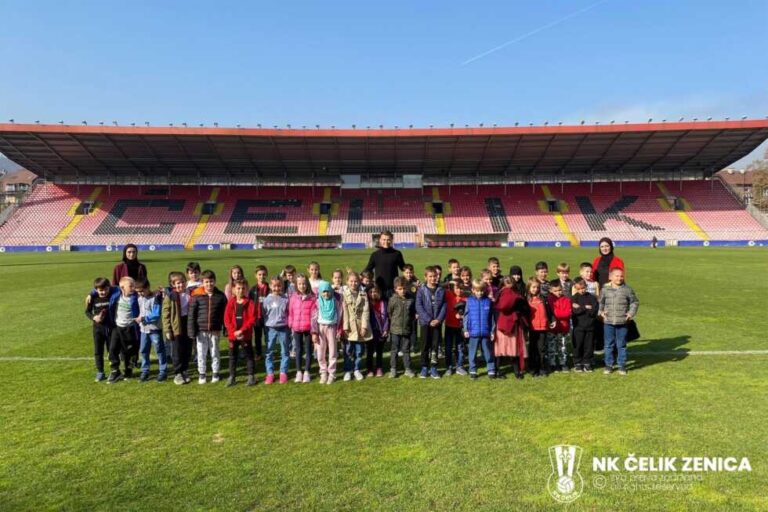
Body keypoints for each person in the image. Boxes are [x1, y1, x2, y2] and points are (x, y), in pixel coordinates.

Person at [188, 270, 227, 384]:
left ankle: (215, 372)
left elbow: (225, 314)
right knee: (201, 353)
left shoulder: (220, 296)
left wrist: (225, 329)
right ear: (202, 282)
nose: (209, 284)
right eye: (206, 282)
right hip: (201, 330)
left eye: (211, 281)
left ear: (215, 281)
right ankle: (202, 374)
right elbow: (191, 315)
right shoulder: (197, 296)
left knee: (215, 352)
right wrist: (191, 331)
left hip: (215, 330)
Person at [599, 268, 639, 376]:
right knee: (608, 345)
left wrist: (630, 313)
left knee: (621, 345)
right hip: (608, 322)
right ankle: (609, 365)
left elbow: (634, 302)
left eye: (621, 276)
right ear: (610, 277)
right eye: (617, 276)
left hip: (622, 322)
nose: (619, 278)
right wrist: (600, 312)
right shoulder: (605, 289)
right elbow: (600, 302)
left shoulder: (627, 289)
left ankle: (622, 365)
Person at [105, 276, 140, 383]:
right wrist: (90, 294)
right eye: (131, 286)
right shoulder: (116, 296)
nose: (133, 288)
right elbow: (101, 287)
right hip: (117, 327)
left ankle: (128, 370)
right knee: (112, 349)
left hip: (130, 328)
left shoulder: (137, 297)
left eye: (134, 286)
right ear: (122, 287)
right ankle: (115, 371)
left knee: (128, 351)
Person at [223, 279, 257, 386]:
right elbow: (227, 319)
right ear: (233, 289)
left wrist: (242, 330)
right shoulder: (231, 303)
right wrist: (234, 332)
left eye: (243, 288)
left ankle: (251, 376)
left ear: (246, 289)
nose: (240, 290)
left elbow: (252, 319)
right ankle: (232, 377)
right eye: (238, 288)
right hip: (233, 335)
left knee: (249, 355)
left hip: (245, 335)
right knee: (233, 356)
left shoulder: (250, 303)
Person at [494, 276, 529, 380]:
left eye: (511, 282)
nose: (510, 284)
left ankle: (515, 371)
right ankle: (498, 370)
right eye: (507, 282)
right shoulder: (505, 292)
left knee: (512, 348)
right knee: (502, 349)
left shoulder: (511, 292)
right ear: (503, 283)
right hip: (505, 323)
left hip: (511, 324)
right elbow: (504, 306)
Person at [162, 271, 193, 385]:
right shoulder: (170, 296)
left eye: (183, 282)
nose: (181, 285)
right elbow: (165, 314)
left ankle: (184, 370)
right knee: (177, 350)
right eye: (178, 283)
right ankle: (177, 373)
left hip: (188, 323)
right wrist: (167, 330)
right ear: (173, 284)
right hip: (176, 326)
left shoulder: (190, 293)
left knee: (187, 349)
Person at [416, 266, 446, 379]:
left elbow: (444, 306)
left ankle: (434, 367)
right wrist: (429, 320)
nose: (433, 278)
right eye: (430, 276)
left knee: (435, 345)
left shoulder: (441, 290)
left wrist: (438, 319)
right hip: (425, 323)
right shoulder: (421, 290)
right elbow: (419, 306)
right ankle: (424, 367)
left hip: (437, 323)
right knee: (425, 346)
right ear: (425, 277)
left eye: (434, 276)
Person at [310, 281, 343, 385]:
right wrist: (314, 332)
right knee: (320, 353)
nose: (326, 294)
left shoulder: (335, 300)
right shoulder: (317, 302)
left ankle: (332, 374)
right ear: (320, 292)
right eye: (323, 292)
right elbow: (313, 318)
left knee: (333, 352)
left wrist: (339, 329)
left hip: (332, 328)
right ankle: (323, 373)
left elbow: (340, 314)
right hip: (320, 328)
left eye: (328, 291)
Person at [463, 280, 496, 380]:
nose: (480, 293)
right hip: (473, 332)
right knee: (472, 353)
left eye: (482, 290)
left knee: (488, 352)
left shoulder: (488, 301)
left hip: (486, 332)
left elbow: (492, 318)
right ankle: (473, 370)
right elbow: (466, 316)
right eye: (477, 290)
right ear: (473, 290)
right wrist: (465, 329)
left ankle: (491, 369)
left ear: (485, 290)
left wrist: (492, 331)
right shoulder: (469, 301)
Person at [341, 271, 372, 381]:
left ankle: (356, 369)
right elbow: (344, 311)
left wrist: (364, 327)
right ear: (347, 282)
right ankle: (347, 370)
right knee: (348, 350)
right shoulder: (344, 295)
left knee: (359, 350)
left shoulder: (363, 295)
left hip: (359, 326)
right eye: (351, 281)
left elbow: (365, 311)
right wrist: (345, 327)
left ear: (359, 282)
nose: (353, 283)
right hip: (349, 327)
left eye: (355, 281)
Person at [135, 277, 167, 382]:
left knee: (159, 350)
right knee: (143, 350)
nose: (140, 294)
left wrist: (143, 318)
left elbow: (156, 314)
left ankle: (163, 371)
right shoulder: (140, 298)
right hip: (143, 330)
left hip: (154, 329)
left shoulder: (156, 298)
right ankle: (145, 371)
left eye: (142, 291)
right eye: (138, 292)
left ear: (148, 287)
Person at [262, 276, 290, 384]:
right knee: (269, 351)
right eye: (274, 286)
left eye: (279, 286)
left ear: (282, 286)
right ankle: (270, 373)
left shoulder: (286, 299)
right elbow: (264, 313)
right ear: (270, 286)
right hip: (270, 329)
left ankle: (283, 372)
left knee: (285, 351)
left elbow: (288, 312)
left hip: (283, 328)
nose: (276, 288)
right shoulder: (266, 300)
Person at [288, 274, 315, 383]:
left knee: (308, 350)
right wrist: (291, 323)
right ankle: (299, 371)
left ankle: (307, 371)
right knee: (298, 350)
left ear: (307, 284)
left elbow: (314, 314)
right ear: (296, 285)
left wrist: (313, 328)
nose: (302, 286)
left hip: (308, 328)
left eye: (304, 284)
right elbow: (290, 312)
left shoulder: (312, 298)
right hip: (296, 328)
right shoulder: (293, 297)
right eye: (299, 284)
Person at [363, 229, 406, 297]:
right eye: (384, 239)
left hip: (393, 289)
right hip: (379, 290)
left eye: (388, 239)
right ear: (380, 240)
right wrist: (357, 277)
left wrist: (415, 279)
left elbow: (404, 269)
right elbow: (368, 269)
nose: (386, 242)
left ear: (391, 240)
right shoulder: (375, 255)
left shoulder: (397, 254)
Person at [85, 277, 113, 382]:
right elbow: (87, 312)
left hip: (110, 328)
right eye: (101, 290)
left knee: (112, 351)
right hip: (98, 330)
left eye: (106, 289)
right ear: (96, 290)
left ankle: (114, 370)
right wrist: (94, 317)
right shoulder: (93, 298)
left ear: (109, 288)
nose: (103, 292)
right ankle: (100, 372)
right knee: (98, 351)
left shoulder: (112, 296)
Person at [387, 277, 416, 378]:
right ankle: (393, 369)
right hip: (395, 330)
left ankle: (407, 369)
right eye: (400, 289)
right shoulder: (393, 300)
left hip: (406, 330)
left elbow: (412, 313)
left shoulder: (410, 299)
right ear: (395, 289)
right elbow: (390, 313)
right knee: (394, 349)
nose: (402, 290)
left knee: (406, 349)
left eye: (404, 288)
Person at [526, 278, 553, 378]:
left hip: (543, 328)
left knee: (542, 349)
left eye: (537, 287)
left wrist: (551, 320)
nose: (536, 289)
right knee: (533, 349)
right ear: (529, 288)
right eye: (533, 287)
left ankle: (542, 368)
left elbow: (549, 311)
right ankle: (533, 368)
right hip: (532, 328)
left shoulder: (543, 299)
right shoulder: (527, 300)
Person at [571, 277, 599, 372]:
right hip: (578, 327)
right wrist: (585, 307)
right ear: (575, 288)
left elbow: (594, 311)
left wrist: (581, 308)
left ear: (586, 286)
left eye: (583, 288)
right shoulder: (574, 298)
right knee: (578, 345)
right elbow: (575, 311)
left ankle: (587, 362)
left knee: (589, 345)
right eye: (579, 289)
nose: (581, 290)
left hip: (590, 326)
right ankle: (577, 362)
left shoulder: (592, 297)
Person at [547, 280, 572, 372]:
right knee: (551, 347)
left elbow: (568, 313)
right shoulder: (549, 300)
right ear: (550, 290)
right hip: (552, 328)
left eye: (560, 290)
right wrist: (558, 314)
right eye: (556, 291)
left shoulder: (566, 299)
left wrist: (557, 314)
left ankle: (563, 363)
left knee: (562, 347)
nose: (558, 292)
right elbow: (551, 313)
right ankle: (552, 364)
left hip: (563, 328)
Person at [444, 280, 467, 376]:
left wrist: (462, 316)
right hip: (449, 325)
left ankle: (459, 366)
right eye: (457, 288)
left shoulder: (466, 299)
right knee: (448, 347)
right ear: (453, 288)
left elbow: (469, 314)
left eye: (461, 288)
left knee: (460, 347)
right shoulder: (449, 295)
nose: (459, 290)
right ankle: (448, 367)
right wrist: (450, 282)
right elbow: (441, 287)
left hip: (460, 327)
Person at [366, 285, 389, 377]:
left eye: (375, 291)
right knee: (370, 351)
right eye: (371, 292)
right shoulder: (366, 303)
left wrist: (386, 329)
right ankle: (369, 369)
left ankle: (379, 367)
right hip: (370, 331)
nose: (373, 294)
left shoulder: (383, 303)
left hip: (380, 330)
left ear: (379, 292)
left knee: (379, 351)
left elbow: (386, 317)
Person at [248, 265, 269, 359]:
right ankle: (258, 353)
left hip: (268, 317)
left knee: (268, 336)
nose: (262, 276)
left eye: (264, 274)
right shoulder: (253, 290)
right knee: (257, 337)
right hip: (257, 317)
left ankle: (269, 353)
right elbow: (250, 304)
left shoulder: (270, 288)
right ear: (256, 275)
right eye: (259, 274)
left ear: (266, 275)